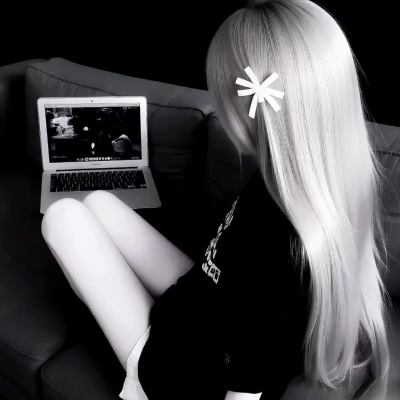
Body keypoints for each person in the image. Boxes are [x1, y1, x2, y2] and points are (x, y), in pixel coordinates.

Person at [40, 1, 391, 399]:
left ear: (253, 109)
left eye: (222, 102)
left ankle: (138, 372)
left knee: (61, 215)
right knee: (97, 200)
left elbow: (248, 375)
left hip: (180, 368)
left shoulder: (279, 247)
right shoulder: (299, 181)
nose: (219, 115)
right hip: (207, 296)